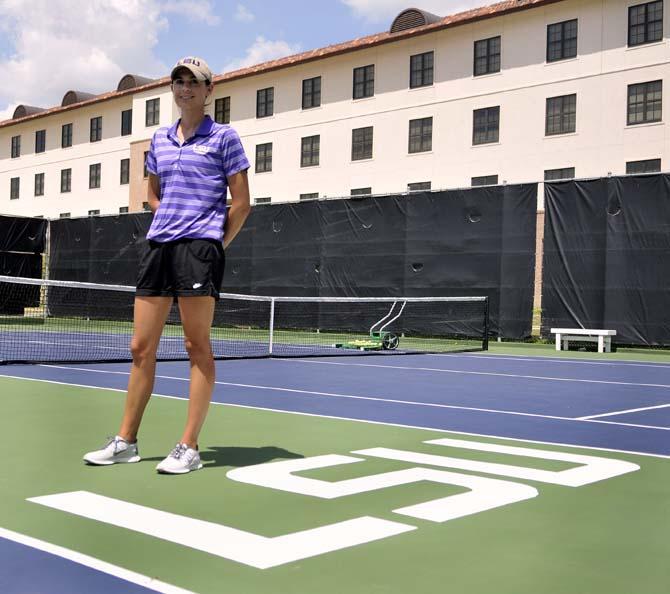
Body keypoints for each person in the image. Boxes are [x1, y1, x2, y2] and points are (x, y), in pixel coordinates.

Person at [83, 56, 251, 474]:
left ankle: (189, 447)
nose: (184, 88)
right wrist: (169, 220)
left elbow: (242, 203)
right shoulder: (159, 140)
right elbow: (153, 195)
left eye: (193, 82)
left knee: (197, 347)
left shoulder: (225, 138)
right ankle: (126, 441)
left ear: (209, 90)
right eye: (178, 82)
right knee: (140, 347)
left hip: (199, 251)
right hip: (159, 248)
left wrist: (211, 241)